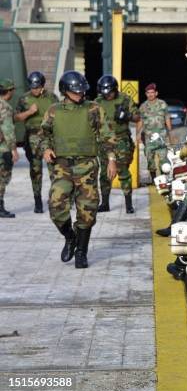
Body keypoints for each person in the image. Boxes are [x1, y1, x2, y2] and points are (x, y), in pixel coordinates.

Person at [41, 71, 117, 269]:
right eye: (75, 91)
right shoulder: (53, 110)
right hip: (62, 166)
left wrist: (111, 160)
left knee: (88, 210)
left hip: (87, 167)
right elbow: (43, 135)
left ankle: (81, 251)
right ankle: (70, 237)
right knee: (56, 205)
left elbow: (107, 135)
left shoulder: (93, 109)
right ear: (65, 91)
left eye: (82, 91)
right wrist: (46, 148)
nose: (80, 94)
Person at [14, 71, 59, 213]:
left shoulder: (52, 97)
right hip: (32, 138)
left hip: (49, 137)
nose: (35, 90)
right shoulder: (24, 99)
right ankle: (38, 201)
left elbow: (60, 115)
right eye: (32, 87)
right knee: (35, 170)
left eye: (37, 87)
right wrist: (29, 112)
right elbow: (16, 117)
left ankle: (56, 200)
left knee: (54, 170)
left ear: (42, 86)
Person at [95, 75, 139, 214]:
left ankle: (128, 204)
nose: (107, 96)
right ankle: (105, 203)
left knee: (122, 171)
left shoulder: (124, 99)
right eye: (104, 93)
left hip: (121, 140)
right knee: (104, 173)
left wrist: (127, 116)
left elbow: (137, 117)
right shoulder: (97, 102)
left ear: (115, 90)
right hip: (104, 142)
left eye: (110, 93)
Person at [137, 83, 172, 181]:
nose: (150, 94)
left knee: (163, 159)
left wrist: (171, 133)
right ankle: (153, 179)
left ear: (156, 93)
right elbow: (140, 121)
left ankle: (164, 178)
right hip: (148, 137)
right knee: (150, 159)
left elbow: (167, 118)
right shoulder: (143, 106)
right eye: (148, 93)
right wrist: (138, 134)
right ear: (146, 94)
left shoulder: (162, 104)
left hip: (162, 136)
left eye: (152, 92)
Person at [0, 79, 19, 218]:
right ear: (9, 91)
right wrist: (14, 150)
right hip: (3, 149)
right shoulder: (5, 107)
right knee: (2, 178)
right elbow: (8, 129)